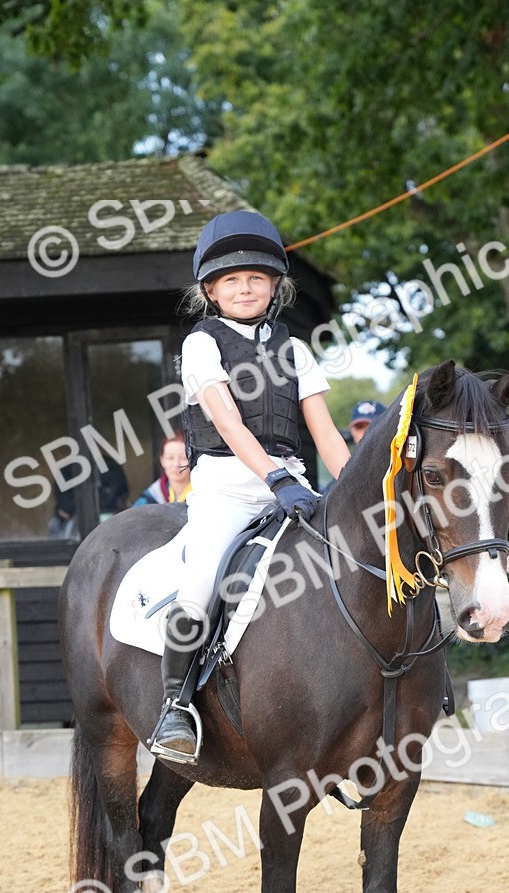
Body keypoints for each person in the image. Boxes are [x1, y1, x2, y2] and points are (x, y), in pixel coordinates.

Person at [150, 210, 351, 763]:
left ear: (274, 287)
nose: (245, 288)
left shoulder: (296, 350)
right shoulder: (200, 346)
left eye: (256, 278)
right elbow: (228, 423)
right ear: (211, 291)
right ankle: (176, 706)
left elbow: (327, 434)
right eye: (232, 280)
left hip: (295, 485)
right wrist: (275, 478)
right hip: (227, 489)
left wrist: (365, 489)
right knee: (198, 586)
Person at [133, 433, 192, 506]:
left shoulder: (203, 492)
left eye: (183, 458)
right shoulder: (151, 496)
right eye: (170, 458)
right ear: (162, 460)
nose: (176, 464)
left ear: (191, 460)